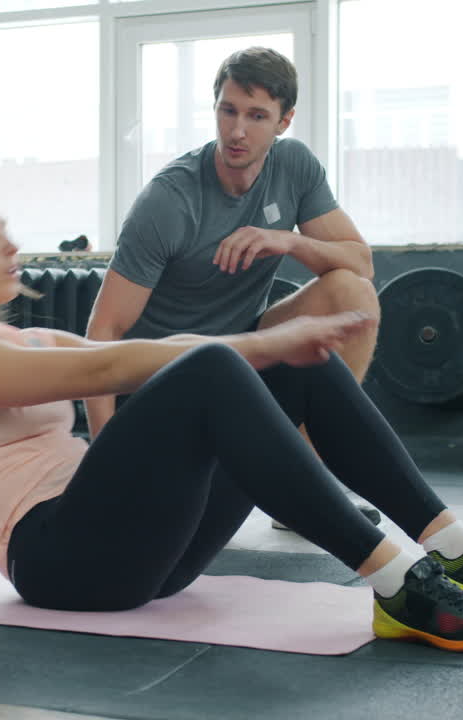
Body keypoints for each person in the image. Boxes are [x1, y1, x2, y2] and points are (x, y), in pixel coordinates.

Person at [0, 189, 463, 653]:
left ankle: (456, 546)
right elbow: (106, 372)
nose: (10, 247)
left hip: (143, 555)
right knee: (226, 367)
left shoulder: (24, 336)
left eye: (6, 232)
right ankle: (399, 584)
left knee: (282, 367)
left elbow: (156, 353)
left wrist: (275, 349)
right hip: (63, 562)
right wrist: (259, 344)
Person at [85, 46, 380, 528]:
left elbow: (360, 261)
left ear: (284, 122)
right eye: (228, 110)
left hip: (244, 354)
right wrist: (104, 457)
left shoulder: (294, 167)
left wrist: (286, 240)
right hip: (166, 379)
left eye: (257, 115)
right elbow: (104, 327)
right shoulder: (168, 200)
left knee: (352, 293)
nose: (237, 130)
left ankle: (304, 484)